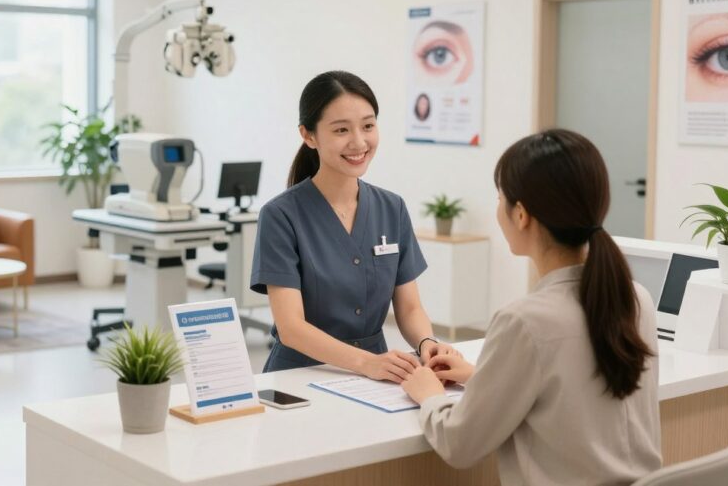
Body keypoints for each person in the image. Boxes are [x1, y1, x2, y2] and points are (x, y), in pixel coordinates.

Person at [401, 129, 661, 485]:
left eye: (499, 198)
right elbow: (570, 395)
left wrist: (429, 396)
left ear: (520, 214)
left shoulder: (524, 322)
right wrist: (482, 377)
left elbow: (459, 444)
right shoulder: (636, 298)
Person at [250, 70, 456, 382]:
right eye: (341, 130)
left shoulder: (392, 208)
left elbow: (410, 308)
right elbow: (291, 328)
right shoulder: (280, 216)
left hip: (376, 377)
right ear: (309, 135)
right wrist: (365, 363)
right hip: (300, 376)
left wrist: (427, 342)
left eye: (368, 126)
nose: (359, 142)